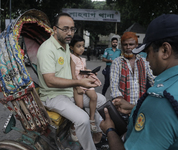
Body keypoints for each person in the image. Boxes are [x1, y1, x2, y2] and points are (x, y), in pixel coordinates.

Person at [100, 14, 178, 150]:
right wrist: (134, 107)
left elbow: (161, 108)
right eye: (125, 45)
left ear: (165, 50)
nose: (147, 59)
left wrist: (110, 130)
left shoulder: (161, 101)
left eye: (148, 52)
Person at [37, 12, 106, 150]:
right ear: (55, 29)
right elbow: (50, 81)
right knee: (82, 119)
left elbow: (71, 68)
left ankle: (97, 134)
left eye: (72, 29)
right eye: (65, 29)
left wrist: (87, 74)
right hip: (53, 96)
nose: (70, 33)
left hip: (69, 92)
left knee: (102, 100)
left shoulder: (66, 45)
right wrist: (79, 83)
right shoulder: (47, 49)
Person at [110, 32, 154, 108]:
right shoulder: (117, 62)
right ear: (122, 46)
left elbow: (153, 80)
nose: (128, 47)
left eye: (131, 44)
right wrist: (122, 103)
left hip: (141, 105)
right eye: (125, 45)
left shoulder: (144, 62)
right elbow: (114, 87)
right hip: (122, 107)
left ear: (136, 45)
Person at [70, 35, 101, 133]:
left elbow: (84, 70)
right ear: (71, 47)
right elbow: (72, 75)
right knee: (79, 106)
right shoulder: (72, 58)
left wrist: (91, 72)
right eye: (78, 46)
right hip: (78, 83)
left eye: (83, 46)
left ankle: (91, 120)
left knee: (94, 97)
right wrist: (77, 87)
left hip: (86, 81)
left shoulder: (82, 59)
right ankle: (73, 126)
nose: (81, 49)